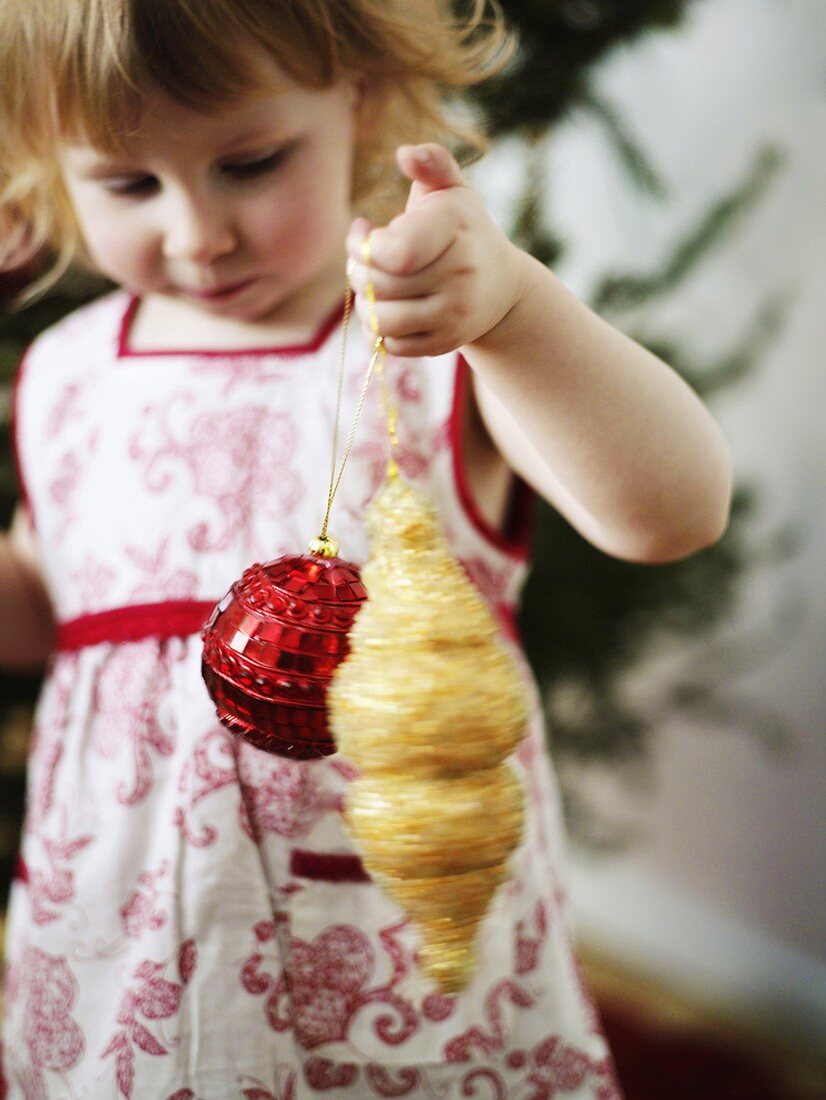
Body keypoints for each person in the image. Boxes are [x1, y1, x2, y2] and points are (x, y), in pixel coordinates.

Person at [0, 1, 732, 1096]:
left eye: (249, 161)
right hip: (122, 933)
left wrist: (518, 313)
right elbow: (55, 606)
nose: (199, 234)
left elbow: (668, 510)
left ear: (357, 93)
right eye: (128, 184)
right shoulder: (62, 374)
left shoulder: (437, 338)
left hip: (389, 946)